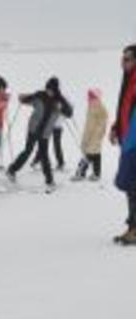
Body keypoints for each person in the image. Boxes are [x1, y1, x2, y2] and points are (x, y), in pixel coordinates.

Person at [6, 77, 73, 191]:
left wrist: (62, 107)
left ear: (56, 90)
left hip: (45, 133)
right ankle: (11, 170)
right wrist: (22, 98)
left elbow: (69, 113)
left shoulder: (59, 100)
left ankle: (49, 180)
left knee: (44, 155)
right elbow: (27, 99)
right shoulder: (40, 95)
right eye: (47, 88)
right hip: (33, 129)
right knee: (28, 151)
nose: (49, 91)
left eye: (51, 89)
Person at [112, 44, 136, 244]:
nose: (123, 62)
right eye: (123, 58)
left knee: (132, 183)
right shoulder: (128, 80)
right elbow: (125, 110)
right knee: (129, 184)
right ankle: (132, 227)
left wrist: (129, 140)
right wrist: (116, 127)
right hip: (127, 139)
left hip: (133, 142)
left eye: (127, 59)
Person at [72, 89, 108, 181]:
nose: (89, 97)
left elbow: (90, 126)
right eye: (89, 95)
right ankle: (96, 174)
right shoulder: (98, 106)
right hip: (97, 135)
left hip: (93, 135)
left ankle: (80, 173)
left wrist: (86, 139)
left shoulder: (94, 107)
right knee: (96, 154)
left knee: (87, 154)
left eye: (91, 96)